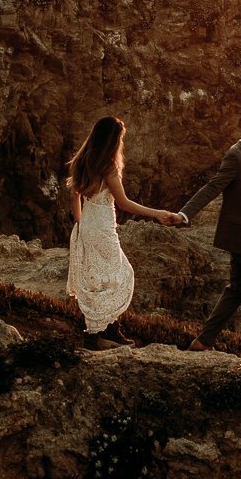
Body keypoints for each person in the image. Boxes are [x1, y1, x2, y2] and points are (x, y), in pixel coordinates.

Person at [66, 115, 183, 351]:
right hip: (102, 226)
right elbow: (124, 203)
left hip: (87, 223)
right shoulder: (107, 167)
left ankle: (105, 331)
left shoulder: (82, 161)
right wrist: (157, 213)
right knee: (120, 275)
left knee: (98, 279)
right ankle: (99, 333)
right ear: (112, 140)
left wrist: (80, 224)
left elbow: (74, 196)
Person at [173, 108, 241, 356]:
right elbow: (213, 187)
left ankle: (203, 340)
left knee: (237, 289)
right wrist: (185, 214)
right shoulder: (236, 155)